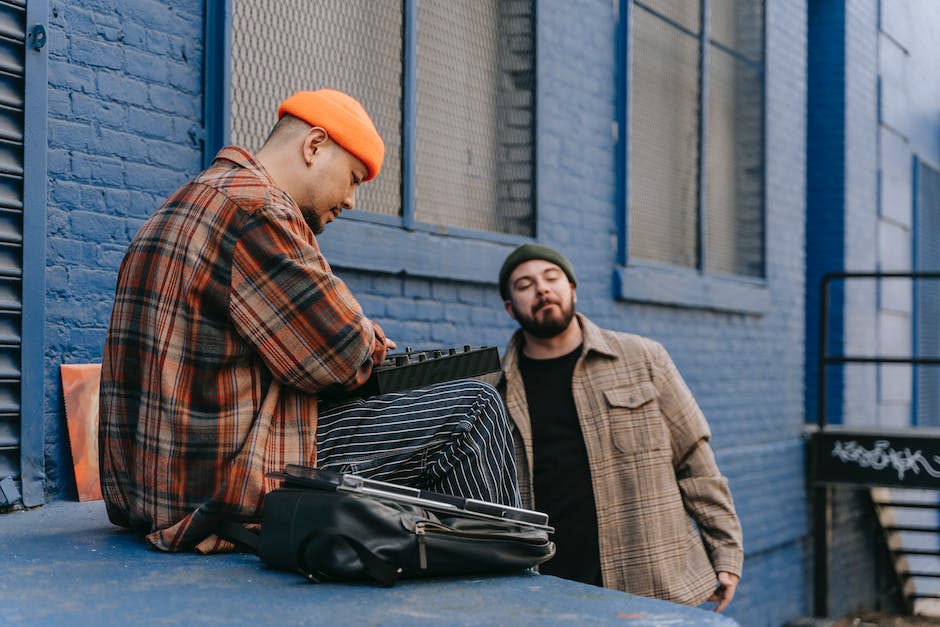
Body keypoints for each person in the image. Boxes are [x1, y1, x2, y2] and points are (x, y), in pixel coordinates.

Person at [99, 89, 519, 553]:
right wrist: (368, 337)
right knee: (473, 410)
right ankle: (507, 596)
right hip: (218, 489)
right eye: (354, 178)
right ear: (314, 145)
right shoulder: (258, 210)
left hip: (154, 489)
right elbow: (344, 357)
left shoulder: (180, 204)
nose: (353, 200)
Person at [496, 243, 743, 612]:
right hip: (549, 589)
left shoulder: (643, 358)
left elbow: (694, 458)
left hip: (650, 582)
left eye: (552, 278)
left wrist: (725, 553)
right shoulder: (495, 389)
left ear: (572, 289)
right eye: (525, 284)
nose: (542, 289)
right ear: (510, 307)